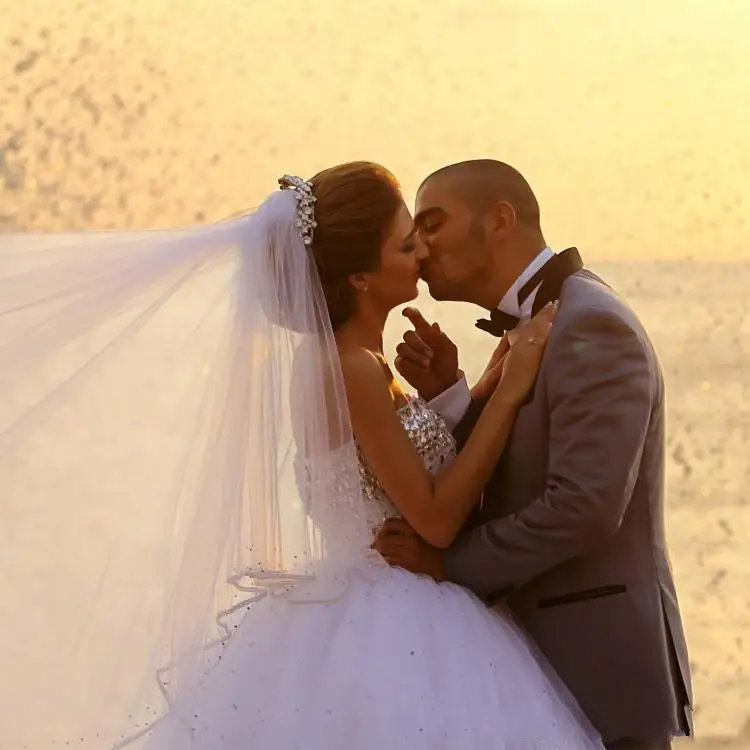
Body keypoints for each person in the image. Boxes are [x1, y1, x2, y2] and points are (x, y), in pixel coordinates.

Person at [0, 162, 603, 749]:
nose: (420, 251)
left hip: (384, 605)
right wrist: (513, 387)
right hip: (388, 620)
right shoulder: (347, 368)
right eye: (402, 245)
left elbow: (398, 468)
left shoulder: (363, 364)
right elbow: (437, 518)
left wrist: (462, 392)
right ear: (361, 278)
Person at [378, 159, 694, 750]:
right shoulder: (542, 324)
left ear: (499, 220)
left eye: (433, 223)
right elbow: (521, 470)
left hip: (595, 670)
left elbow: (584, 506)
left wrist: (447, 567)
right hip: (530, 671)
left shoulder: (592, 325)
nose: (418, 246)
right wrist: (452, 395)